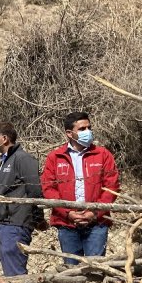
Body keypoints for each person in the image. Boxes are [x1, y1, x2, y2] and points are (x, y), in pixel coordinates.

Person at [41, 112, 120, 264]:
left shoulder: (103, 154)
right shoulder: (55, 157)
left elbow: (112, 186)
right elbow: (49, 188)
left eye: (89, 127)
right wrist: (68, 213)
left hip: (97, 224)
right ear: (69, 133)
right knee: (71, 270)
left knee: (96, 270)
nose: (88, 132)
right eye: (82, 129)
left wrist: (94, 212)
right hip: (67, 224)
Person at [0, 122, 44, 276]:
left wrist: (38, 217)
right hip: (5, 224)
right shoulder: (4, 161)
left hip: (16, 223)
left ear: (4, 138)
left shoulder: (22, 158)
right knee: (10, 273)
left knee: (15, 275)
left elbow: (34, 189)